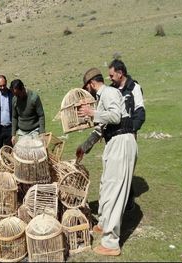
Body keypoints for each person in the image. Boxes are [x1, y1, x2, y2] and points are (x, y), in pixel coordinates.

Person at [75, 67, 137, 256]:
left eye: (87, 88)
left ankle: (111, 243)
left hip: (121, 142)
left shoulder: (109, 92)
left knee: (114, 192)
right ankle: (103, 224)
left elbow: (115, 116)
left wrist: (92, 112)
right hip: (114, 143)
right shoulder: (103, 97)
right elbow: (102, 128)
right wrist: (84, 147)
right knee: (106, 186)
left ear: (91, 84)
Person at [108, 59, 146, 211]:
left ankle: (127, 201)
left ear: (120, 73)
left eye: (111, 75)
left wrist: (132, 130)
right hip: (113, 136)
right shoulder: (112, 90)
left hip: (128, 135)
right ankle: (121, 200)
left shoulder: (134, 87)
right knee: (116, 170)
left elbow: (140, 112)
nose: (110, 78)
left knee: (127, 169)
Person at [10, 79, 45, 145]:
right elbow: (14, 117)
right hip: (22, 133)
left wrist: (42, 132)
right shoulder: (14, 100)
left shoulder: (34, 98)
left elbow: (41, 115)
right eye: (15, 95)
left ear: (22, 89)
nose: (17, 97)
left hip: (34, 131)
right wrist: (13, 135)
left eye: (18, 94)